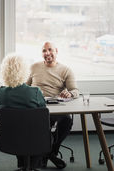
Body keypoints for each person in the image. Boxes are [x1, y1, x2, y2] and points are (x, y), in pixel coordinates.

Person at [26, 41, 79, 169]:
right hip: (37, 107)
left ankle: (50, 151)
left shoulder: (66, 70)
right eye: (44, 51)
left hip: (56, 107)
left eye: (50, 50)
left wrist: (69, 94)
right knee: (42, 125)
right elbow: (25, 87)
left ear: (56, 51)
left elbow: (75, 91)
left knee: (67, 121)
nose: (47, 53)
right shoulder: (34, 67)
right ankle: (50, 154)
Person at [0, 53, 46, 170]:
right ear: (24, 71)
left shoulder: (1, 92)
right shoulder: (35, 92)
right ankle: (31, 166)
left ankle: (23, 164)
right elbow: (43, 113)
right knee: (43, 133)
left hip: (11, 139)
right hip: (35, 138)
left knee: (18, 131)